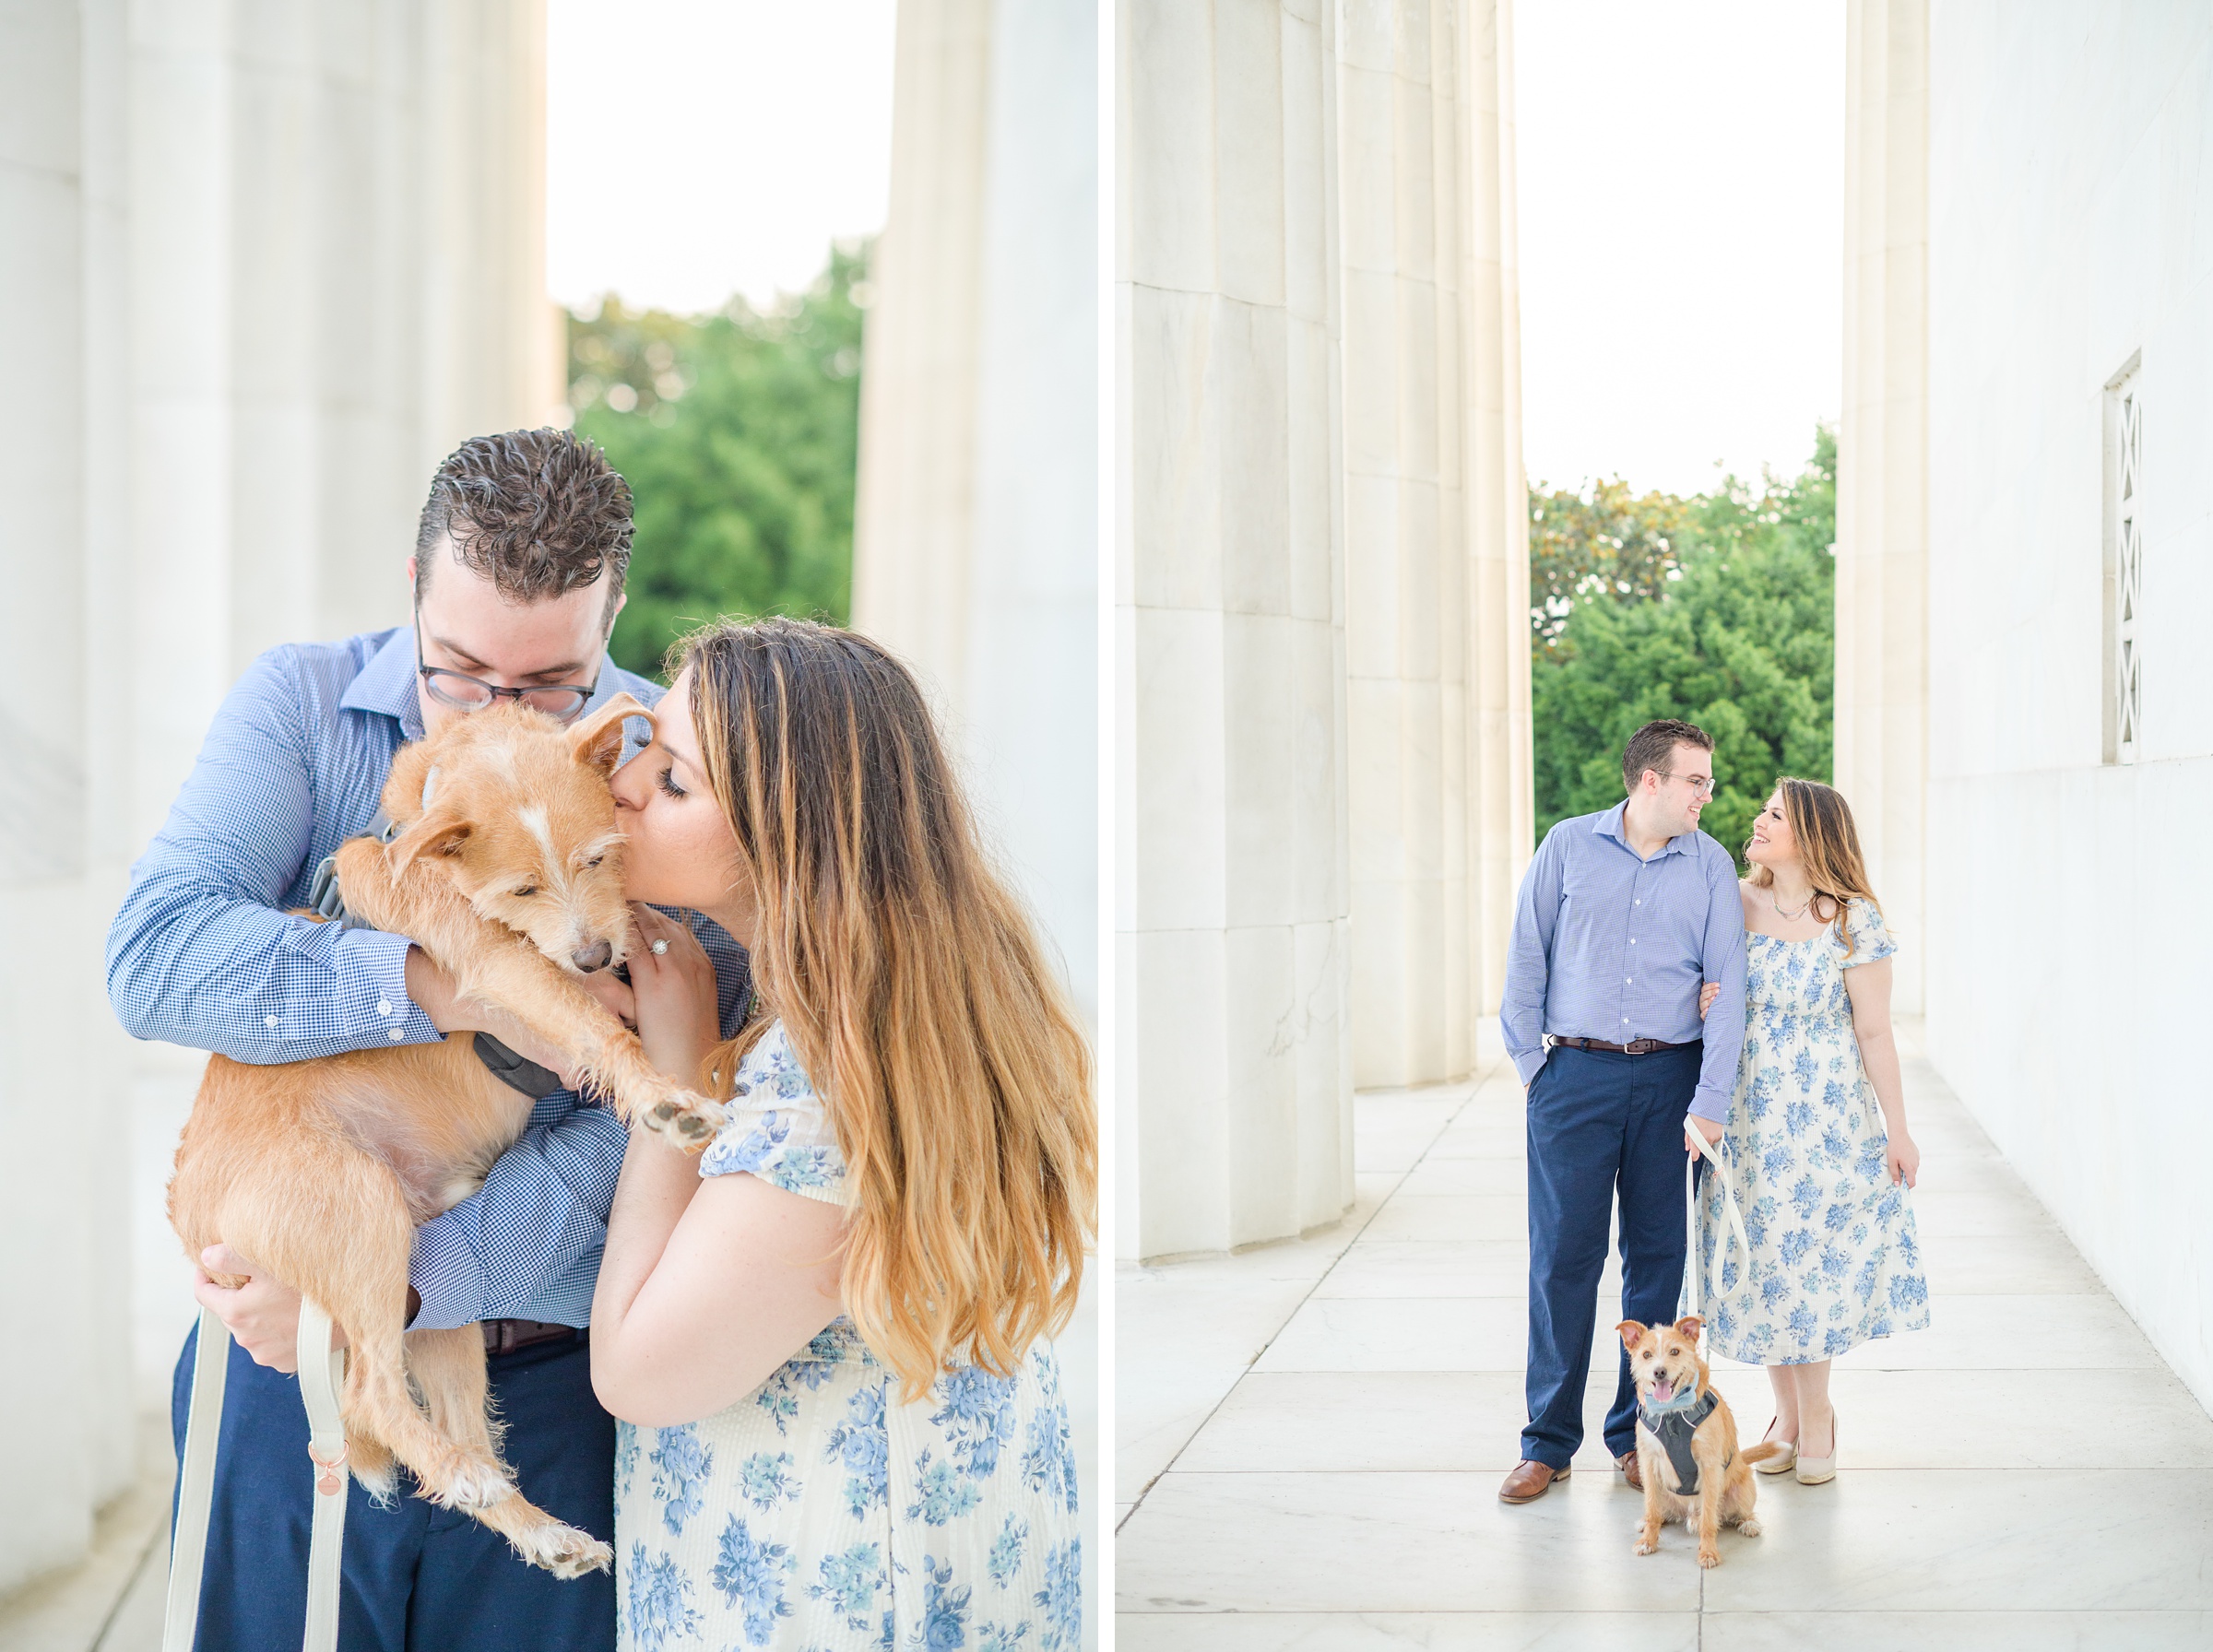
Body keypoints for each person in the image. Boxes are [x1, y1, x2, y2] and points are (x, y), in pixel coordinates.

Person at [106, 430, 749, 1651]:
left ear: (612, 613)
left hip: (565, 1382)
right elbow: (155, 961)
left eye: (551, 683)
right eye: (458, 672)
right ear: (413, 591)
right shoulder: (301, 709)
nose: (500, 716)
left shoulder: (667, 773)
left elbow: (688, 1092)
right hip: (284, 1365)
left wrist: (418, 1281)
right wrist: (445, 984)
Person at [584, 618, 1096, 1651]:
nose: (626, 786)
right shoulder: (928, 997)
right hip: (946, 1532)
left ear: (786, 832)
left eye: (674, 780)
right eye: (646, 748)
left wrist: (673, 1078)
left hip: (825, 1578)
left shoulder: (822, 1079)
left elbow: (637, 1373)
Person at [1496, 719, 1748, 1504]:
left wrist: (1707, 1102)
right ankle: (1547, 1445)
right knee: (1563, 1262)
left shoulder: (1709, 866)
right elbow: (1526, 956)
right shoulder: (1567, 846)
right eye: (1696, 780)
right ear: (1651, 781)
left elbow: (1728, 986)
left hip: (1670, 1085)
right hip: (1573, 1077)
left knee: (1655, 1266)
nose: (1708, 793)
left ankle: (1636, 1438)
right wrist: (1538, 1072)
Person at [1682, 777, 1928, 1485]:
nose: (1757, 821)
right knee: (1761, 1269)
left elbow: (1875, 1032)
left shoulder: (1853, 920)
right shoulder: (1733, 899)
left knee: (1808, 1271)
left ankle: (1814, 1418)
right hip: (1748, 1118)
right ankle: (1785, 1418)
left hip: (1825, 1123)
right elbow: (1700, 982)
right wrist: (1702, 997)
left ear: (1812, 833)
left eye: (1774, 814)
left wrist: (1898, 1132)